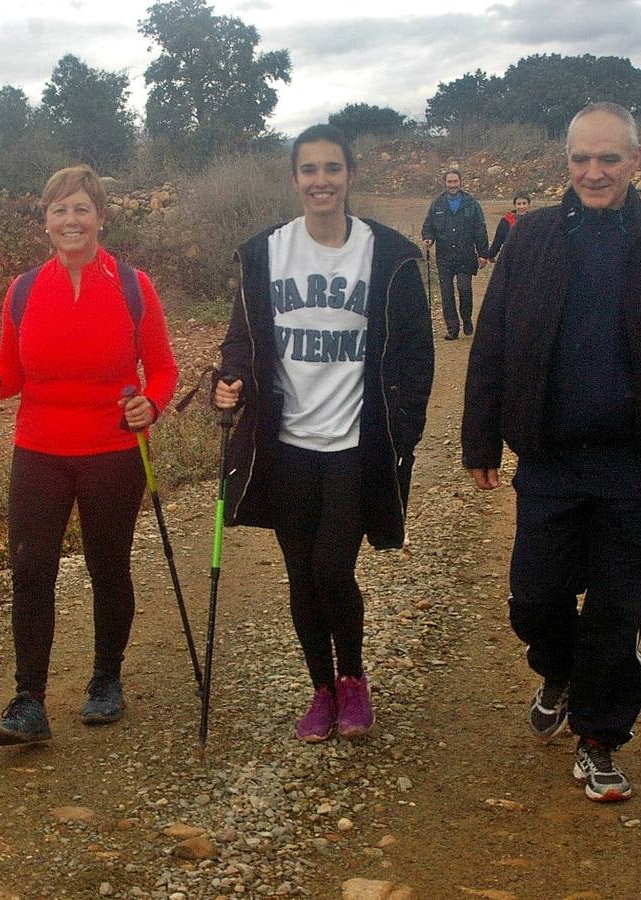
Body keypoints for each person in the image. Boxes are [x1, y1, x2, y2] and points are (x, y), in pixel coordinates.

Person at [462, 102, 641, 802]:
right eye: (582, 158)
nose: (594, 170)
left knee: (617, 609)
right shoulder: (534, 239)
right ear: (567, 163)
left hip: (635, 466)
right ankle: (561, 669)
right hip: (550, 462)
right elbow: (491, 341)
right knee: (535, 599)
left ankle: (599, 739)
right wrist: (480, 436)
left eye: (609, 158)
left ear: (636, 162)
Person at [214, 124, 434, 743]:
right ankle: (320, 689)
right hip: (284, 447)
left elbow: (417, 354)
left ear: (349, 176)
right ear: (294, 179)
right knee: (299, 573)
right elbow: (242, 337)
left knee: (333, 567)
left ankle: (354, 681)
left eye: (332, 169)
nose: (321, 181)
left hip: (353, 447)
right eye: (309, 170)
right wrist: (230, 378)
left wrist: (404, 433)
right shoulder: (265, 254)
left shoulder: (386, 255)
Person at [0, 165, 178, 746]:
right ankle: (28, 699)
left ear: (101, 217)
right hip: (39, 450)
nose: (71, 220)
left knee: (108, 567)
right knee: (31, 571)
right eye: (59, 210)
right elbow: (11, 373)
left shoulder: (134, 285)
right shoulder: (25, 288)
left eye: (82, 209)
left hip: (113, 447)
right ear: (46, 222)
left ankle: (106, 680)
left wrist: (150, 406)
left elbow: (162, 369)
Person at [421, 169, 489, 340]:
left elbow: (480, 229)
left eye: (455, 181)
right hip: (444, 256)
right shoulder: (437, 204)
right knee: (446, 292)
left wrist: (483, 254)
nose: (452, 185)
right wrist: (428, 238)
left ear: (460, 182)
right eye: (449, 182)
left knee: (464, 288)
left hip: (465, 255)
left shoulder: (471, 204)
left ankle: (466, 319)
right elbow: (428, 226)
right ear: (445, 183)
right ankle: (452, 328)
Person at [487, 193, 531, 261]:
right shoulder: (506, 220)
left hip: (529, 255)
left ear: (528, 204)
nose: (522, 206)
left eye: (524, 203)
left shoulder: (534, 220)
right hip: (510, 255)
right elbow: (498, 239)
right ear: (515, 205)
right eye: (519, 204)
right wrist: (491, 254)